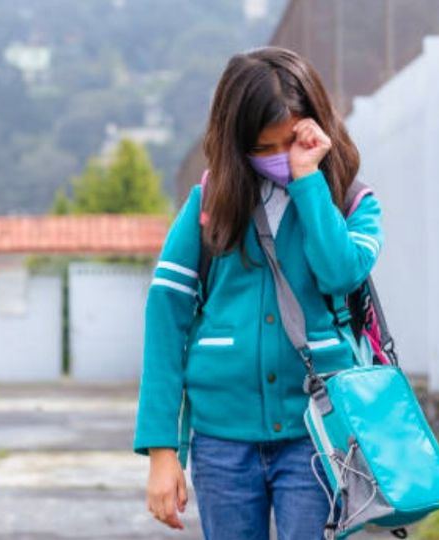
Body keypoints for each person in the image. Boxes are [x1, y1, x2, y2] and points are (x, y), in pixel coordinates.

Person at [132, 46, 384, 540]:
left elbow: (340, 274)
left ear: (314, 126)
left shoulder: (353, 202)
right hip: (221, 443)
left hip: (318, 438)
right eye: (261, 148)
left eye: (288, 142)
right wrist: (163, 451)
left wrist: (309, 181)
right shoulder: (209, 204)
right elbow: (166, 316)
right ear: (234, 140)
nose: (276, 159)